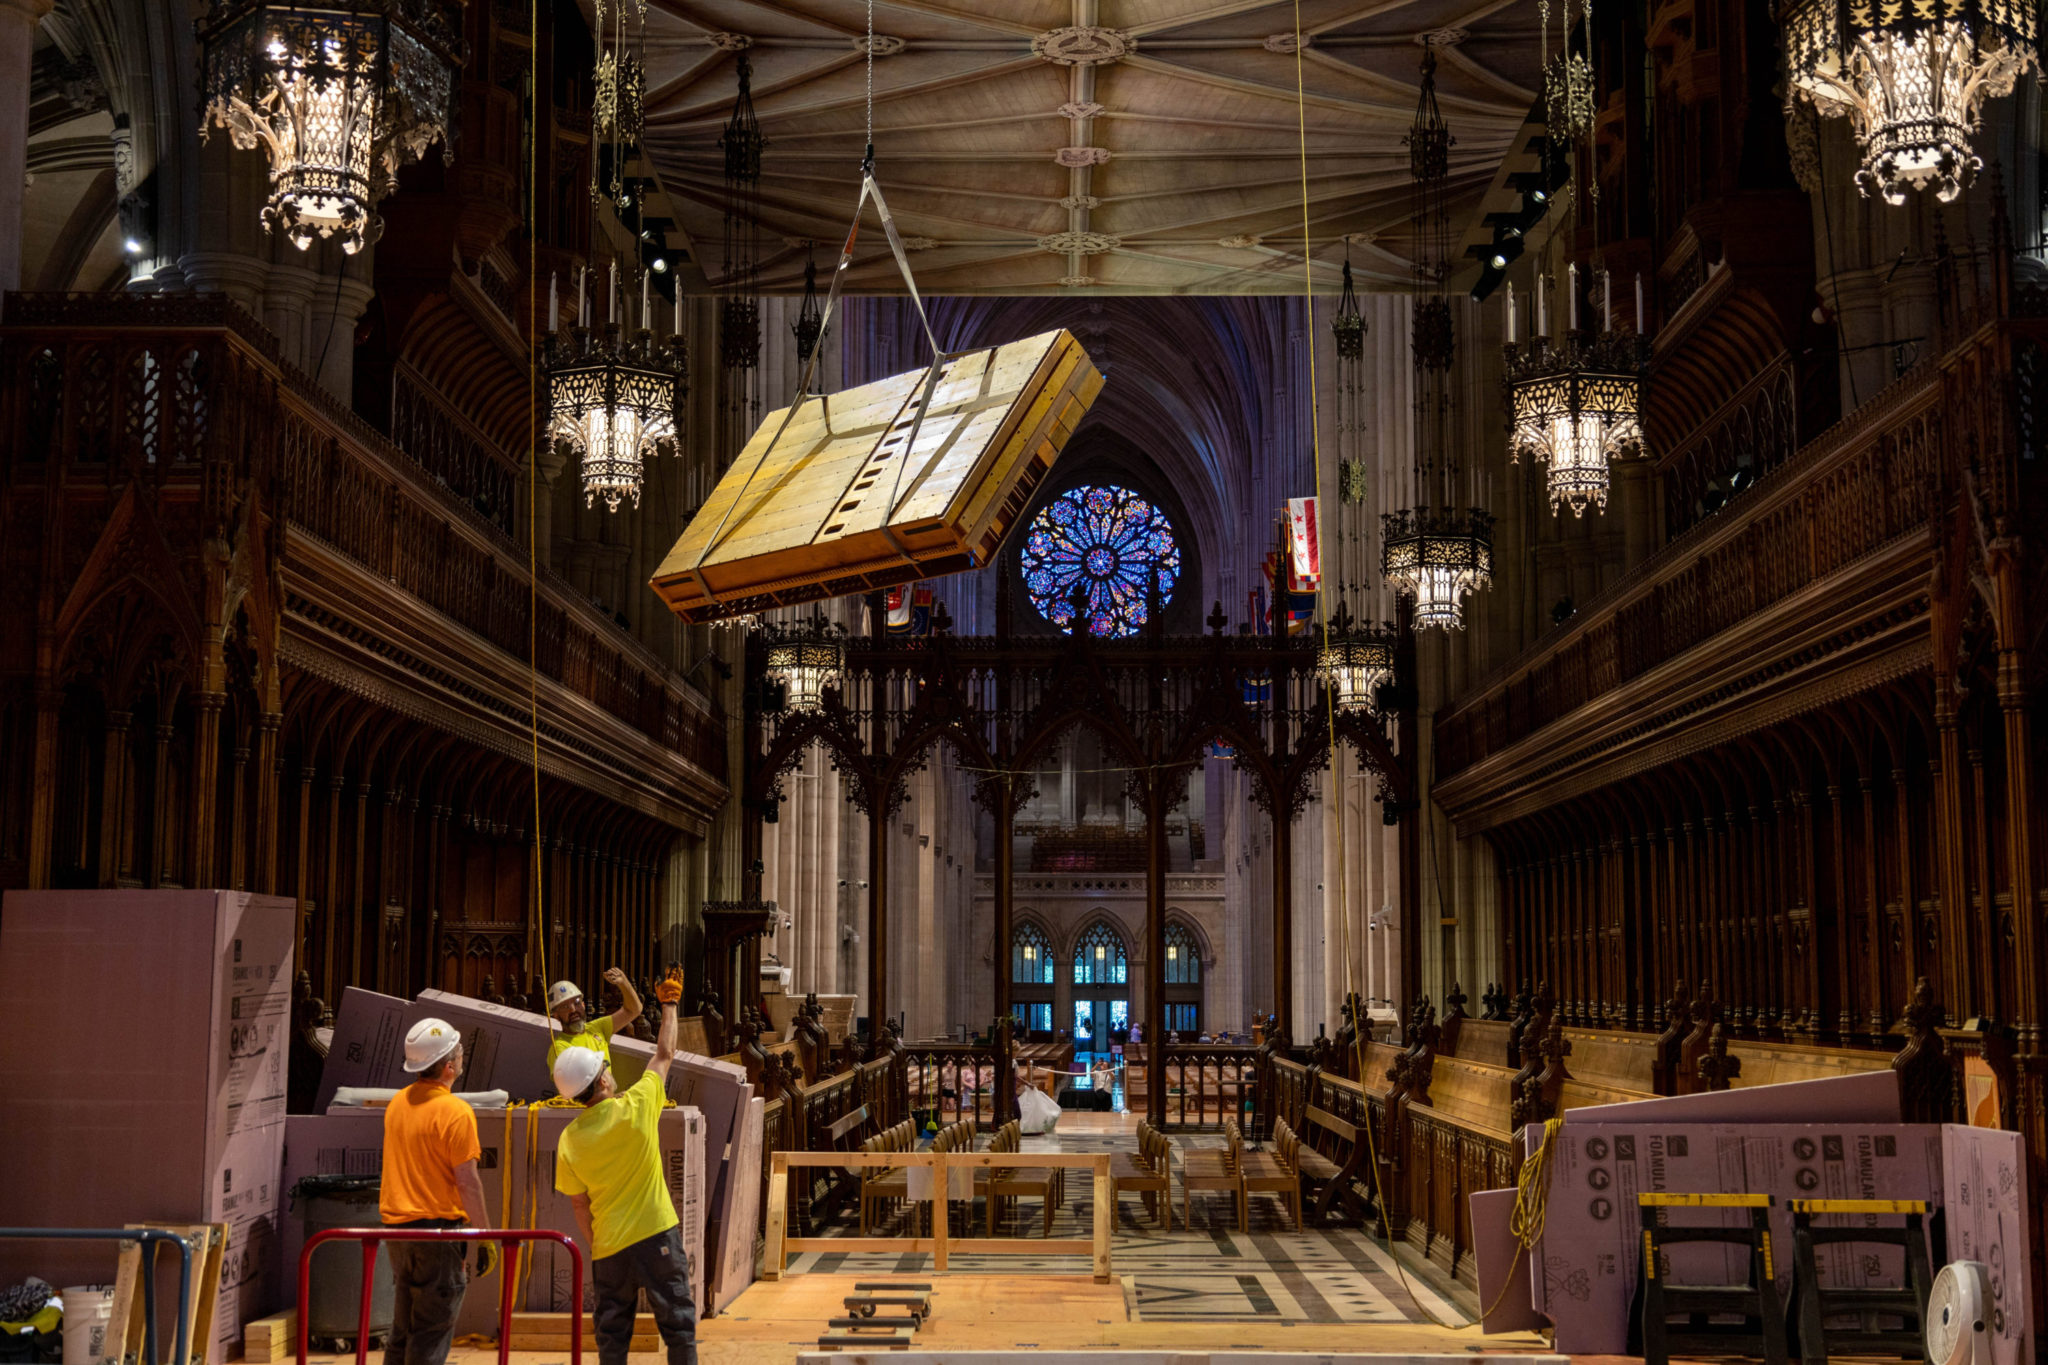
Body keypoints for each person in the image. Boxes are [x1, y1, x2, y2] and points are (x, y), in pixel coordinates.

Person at [552, 968, 695, 1365]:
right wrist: (669, 1005)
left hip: (609, 1246)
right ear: (602, 1082)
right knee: (678, 1323)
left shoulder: (570, 1139)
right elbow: (664, 1054)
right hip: (656, 1235)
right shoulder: (636, 1107)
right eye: (605, 1068)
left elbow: (579, 1205)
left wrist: (599, 1247)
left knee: (612, 1335)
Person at [380, 1018, 491, 1365]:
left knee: (403, 1332)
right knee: (430, 1333)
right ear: (449, 1066)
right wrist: (486, 1235)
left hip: (397, 1235)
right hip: (437, 1236)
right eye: (459, 1052)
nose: (462, 1057)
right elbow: (467, 1182)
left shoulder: (397, 1103)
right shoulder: (456, 1112)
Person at [546, 967, 642, 1070]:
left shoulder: (598, 1028)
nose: (573, 1009)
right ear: (556, 1015)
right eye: (565, 1007)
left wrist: (623, 983)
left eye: (577, 1002)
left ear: (583, 1005)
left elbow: (633, 1010)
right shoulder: (560, 1048)